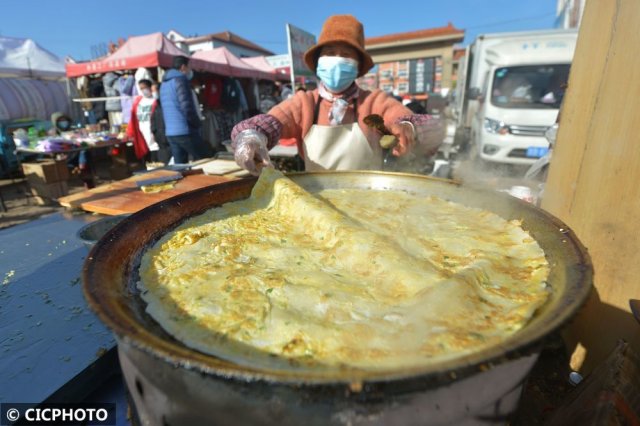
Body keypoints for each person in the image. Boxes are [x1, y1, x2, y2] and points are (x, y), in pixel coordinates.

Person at [231, 15, 443, 174]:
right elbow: (269, 123)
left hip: (368, 200)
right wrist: (251, 137)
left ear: (358, 66)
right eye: (330, 53)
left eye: (346, 55)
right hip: (317, 200)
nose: (337, 59)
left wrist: (410, 127)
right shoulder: (305, 103)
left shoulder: (373, 102)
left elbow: (415, 122)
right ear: (319, 61)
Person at [160, 56, 207, 163]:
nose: (190, 70)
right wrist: (197, 123)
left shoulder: (164, 83)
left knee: (180, 167)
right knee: (206, 159)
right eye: (189, 67)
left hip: (171, 132)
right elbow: (186, 107)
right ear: (183, 67)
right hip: (184, 130)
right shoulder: (181, 80)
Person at [127, 79, 160, 164]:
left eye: (145, 87)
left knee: (155, 153)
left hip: (154, 131)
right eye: (141, 88)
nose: (143, 90)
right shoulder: (138, 101)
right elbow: (133, 117)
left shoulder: (155, 100)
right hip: (142, 132)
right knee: (146, 154)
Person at [150, 83, 172, 164]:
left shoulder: (169, 102)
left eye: (154, 90)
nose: (153, 93)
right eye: (152, 90)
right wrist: (155, 132)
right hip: (161, 141)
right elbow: (153, 120)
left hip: (171, 138)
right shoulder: (156, 105)